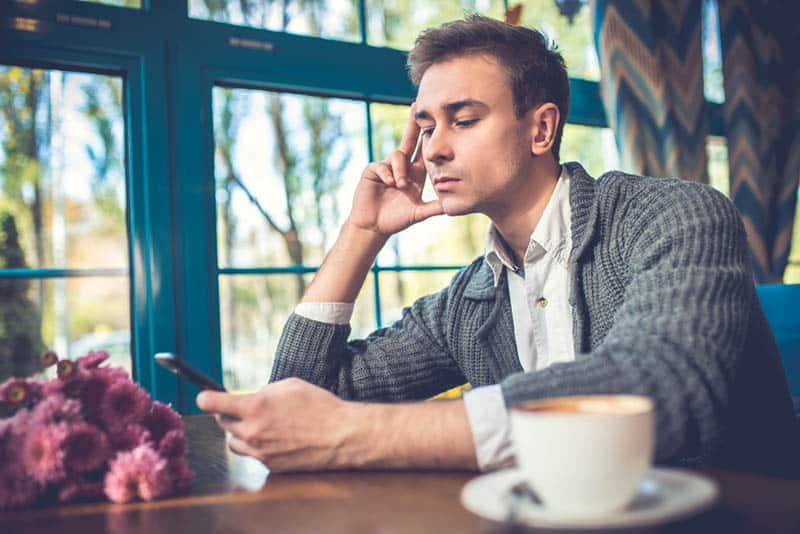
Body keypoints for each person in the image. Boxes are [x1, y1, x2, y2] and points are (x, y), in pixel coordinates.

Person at [197, 15, 798, 477]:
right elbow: (305, 401)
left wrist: (351, 434)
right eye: (427, 125)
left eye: (463, 119)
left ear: (541, 128)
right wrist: (360, 236)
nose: (431, 149)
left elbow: (657, 392)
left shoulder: (674, 216)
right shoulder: (472, 298)